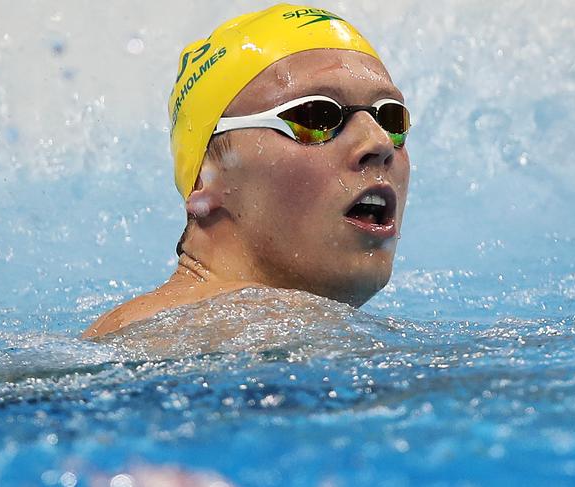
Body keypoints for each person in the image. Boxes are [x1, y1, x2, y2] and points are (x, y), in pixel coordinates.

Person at [82, 4, 411, 339]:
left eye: (391, 118)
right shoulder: (260, 325)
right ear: (206, 176)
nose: (380, 142)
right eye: (316, 117)